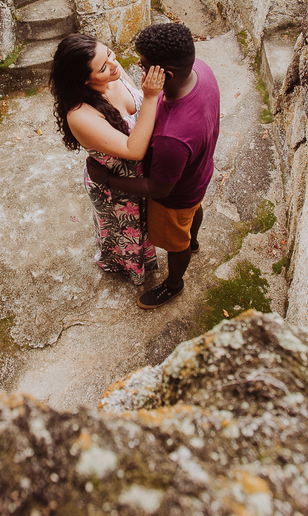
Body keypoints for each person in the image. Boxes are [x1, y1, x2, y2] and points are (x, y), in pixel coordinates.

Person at [86, 23, 220, 309]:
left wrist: (107, 179)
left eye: (144, 65)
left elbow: (158, 189)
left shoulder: (172, 135)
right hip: (199, 174)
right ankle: (193, 241)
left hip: (175, 196)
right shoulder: (202, 70)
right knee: (193, 213)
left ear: (166, 75)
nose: (139, 67)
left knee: (176, 242)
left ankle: (174, 284)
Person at [51, 34, 166, 285]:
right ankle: (128, 270)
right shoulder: (80, 115)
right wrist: (150, 97)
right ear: (84, 79)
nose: (114, 64)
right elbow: (133, 149)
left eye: (110, 53)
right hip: (115, 189)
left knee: (147, 228)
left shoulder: (114, 71)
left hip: (141, 179)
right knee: (126, 235)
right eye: (103, 67)